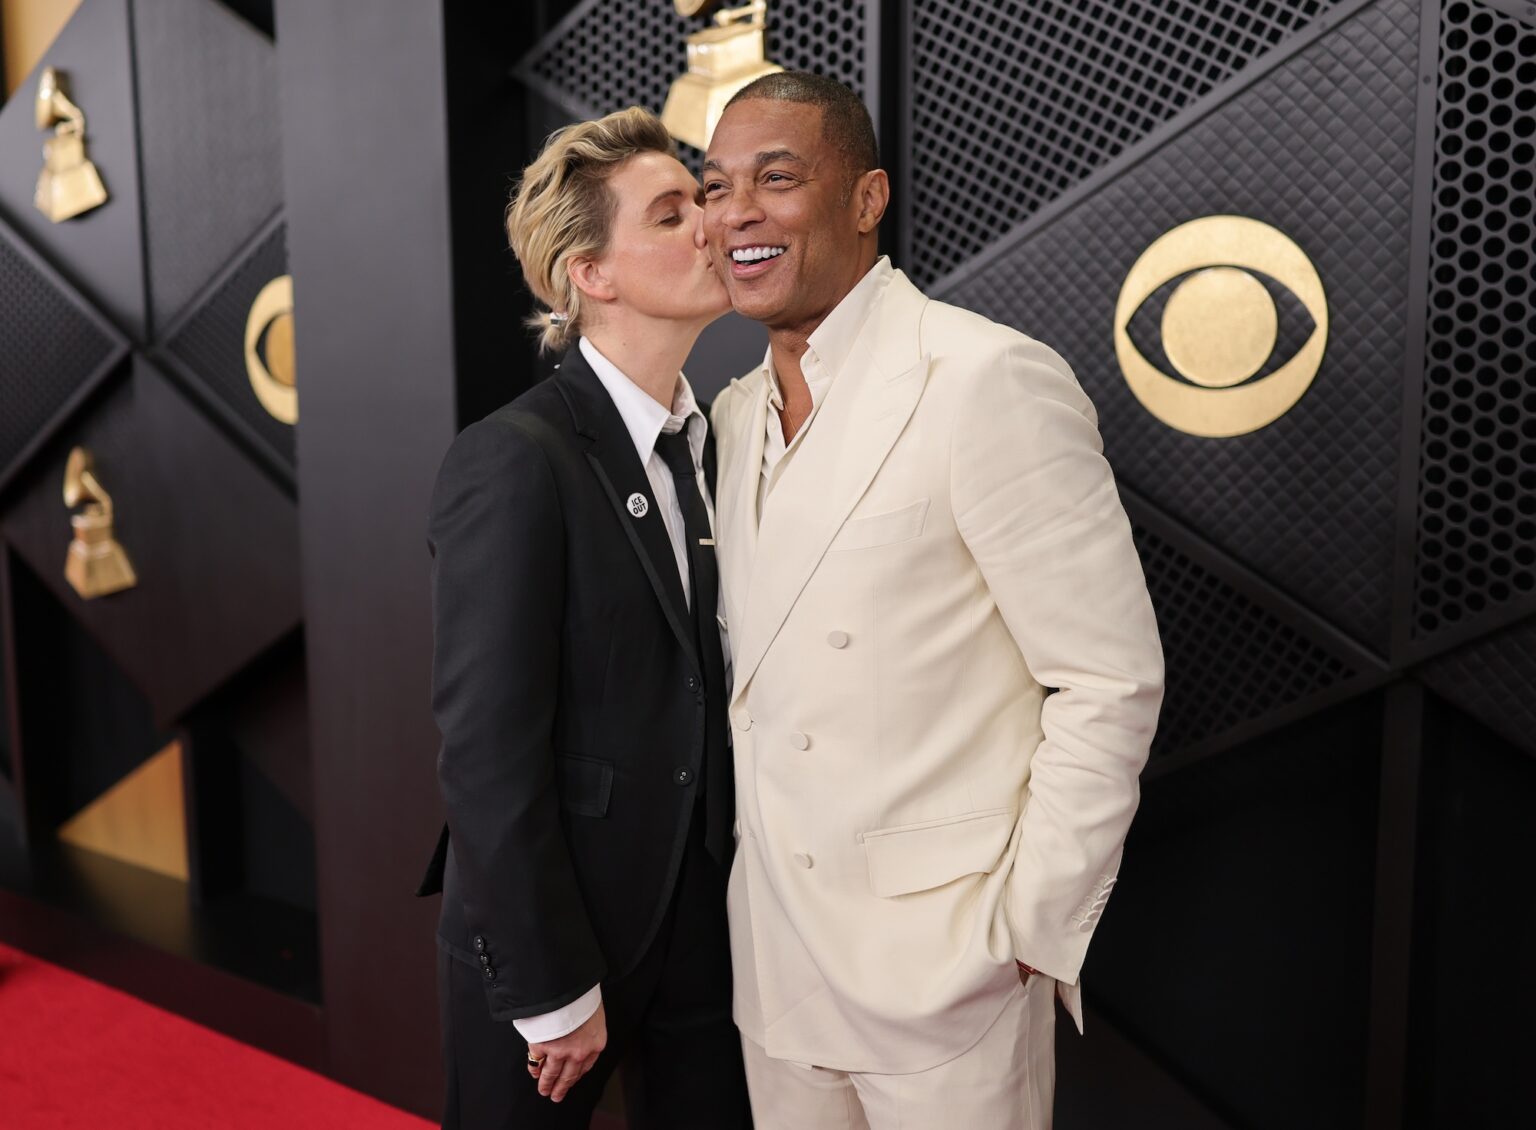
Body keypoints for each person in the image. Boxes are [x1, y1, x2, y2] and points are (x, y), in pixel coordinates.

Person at [701, 72, 1166, 1129]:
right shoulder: (731, 417)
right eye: (717, 186)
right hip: (774, 961)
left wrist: (1020, 932)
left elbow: (1108, 676)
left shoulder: (982, 378)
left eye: (777, 178)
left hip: (945, 968)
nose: (737, 213)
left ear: (867, 200)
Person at [416, 106, 751, 1129]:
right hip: (559, 943)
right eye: (670, 212)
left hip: (707, 934)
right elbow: (485, 749)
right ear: (591, 274)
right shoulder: (516, 457)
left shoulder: (722, 437)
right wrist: (551, 986)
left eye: (701, 199)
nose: (710, 224)